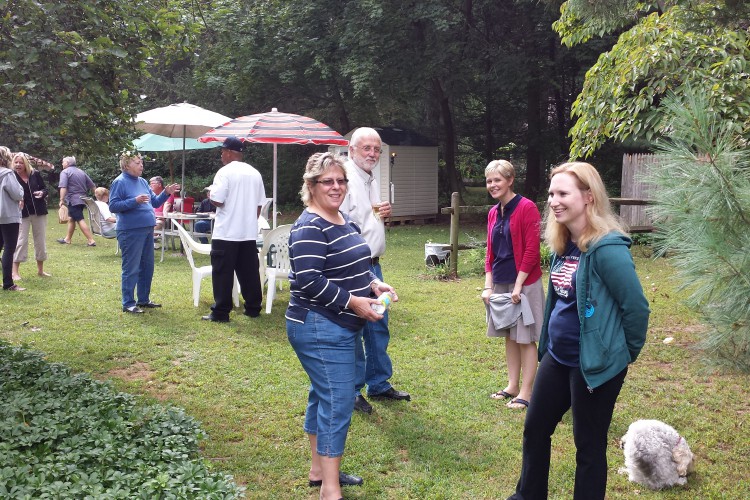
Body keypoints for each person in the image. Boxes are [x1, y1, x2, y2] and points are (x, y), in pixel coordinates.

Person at [508, 162, 650, 500]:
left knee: (588, 445)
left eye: (563, 193)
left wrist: (622, 354)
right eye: (551, 194)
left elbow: (636, 308)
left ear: (588, 196)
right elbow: (559, 301)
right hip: (558, 356)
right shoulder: (563, 242)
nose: (554, 201)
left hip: (594, 366)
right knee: (535, 428)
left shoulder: (607, 248)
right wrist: (548, 344)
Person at [286, 152, 398, 500]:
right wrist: (353, 302)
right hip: (318, 325)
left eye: (341, 180)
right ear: (311, 186)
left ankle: (319, 470)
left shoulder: (343, 219)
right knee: (337, 400)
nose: (336, 187)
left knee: (322, 394)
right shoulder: (309, 226)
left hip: (339, 324)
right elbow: (308, 279)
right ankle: (330, 489)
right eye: (327, 181)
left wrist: (373, 285)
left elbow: (356, 264)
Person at [339, 127, 410, 415]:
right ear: (352, 149)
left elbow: (367, 217)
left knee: (378, 325)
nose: (372, 153)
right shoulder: (344, 178)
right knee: (355, 327)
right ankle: (354, 391)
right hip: (352, 268)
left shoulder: (371, 177)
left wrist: (384, 214)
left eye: (376, 149)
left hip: (373, 266)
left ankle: (378, 383)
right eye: (366, 148)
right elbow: (340, 222)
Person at [481, 160, 544, 410]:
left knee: (525, 337)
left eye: (497, 179)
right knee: (509, 334)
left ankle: (527, 392)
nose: (493, 185)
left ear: (510, 180)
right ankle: (512, 385)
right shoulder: (494, 212)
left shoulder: (527, 208)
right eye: (489, 181)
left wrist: (518, 285)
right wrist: (488, 286)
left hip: (525, 282)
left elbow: (532, 250)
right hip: (501, 281)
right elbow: (490, 251)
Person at [201, 137, 266, 322]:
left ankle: (221, 312)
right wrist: (249, 221)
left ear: (229, 152)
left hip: (227, 231)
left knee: (223, 272)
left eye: (222, 151)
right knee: (249, 272)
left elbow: (219, 200)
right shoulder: (255, 173)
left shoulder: (224, 172)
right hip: (248, 232)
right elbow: (259, 205)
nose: (221, 155)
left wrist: (211, 195)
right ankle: (253, 308)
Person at [109, 151, 179, 314]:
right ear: (127, 165)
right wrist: (134, 201)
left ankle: (143, 299)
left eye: (141, 162)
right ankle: (128, 303)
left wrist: (166, 193)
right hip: (130, 231)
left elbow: (154, 202)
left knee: (147, 267)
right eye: (137, 162)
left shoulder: (141, 181)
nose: (141, 165)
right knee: (131, 267)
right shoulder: (119, 182)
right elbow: (113, 206)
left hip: (147, 229)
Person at [12, 152, 51, 280]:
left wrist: (42, 193)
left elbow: (45, 189)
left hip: (39, 211)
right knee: (21, 241)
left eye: (21, 162)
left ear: (26, 163)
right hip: (21, 213)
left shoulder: (35, 174)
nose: (18, 164)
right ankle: (15, 272)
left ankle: (40, 270)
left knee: (40, 241)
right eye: (16, 162)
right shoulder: (11, 176)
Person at [57, 156, 97, 246]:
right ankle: (67, 239)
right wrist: (98, 196)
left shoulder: (65, 172)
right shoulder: (81, 171)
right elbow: (92, 185)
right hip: (82, 199)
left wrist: (61, 199)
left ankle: (91, 240)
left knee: (79, 219)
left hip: (73, 199)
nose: (62, 164)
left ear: (67, 163)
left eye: (63, 162)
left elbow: (63, 186)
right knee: (71, 218)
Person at [0, 146, 25, 291]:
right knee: (9, 248)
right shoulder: (7, 174)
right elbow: (17, 194)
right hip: (8, 215)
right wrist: (21, 191)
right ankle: (8, 283)